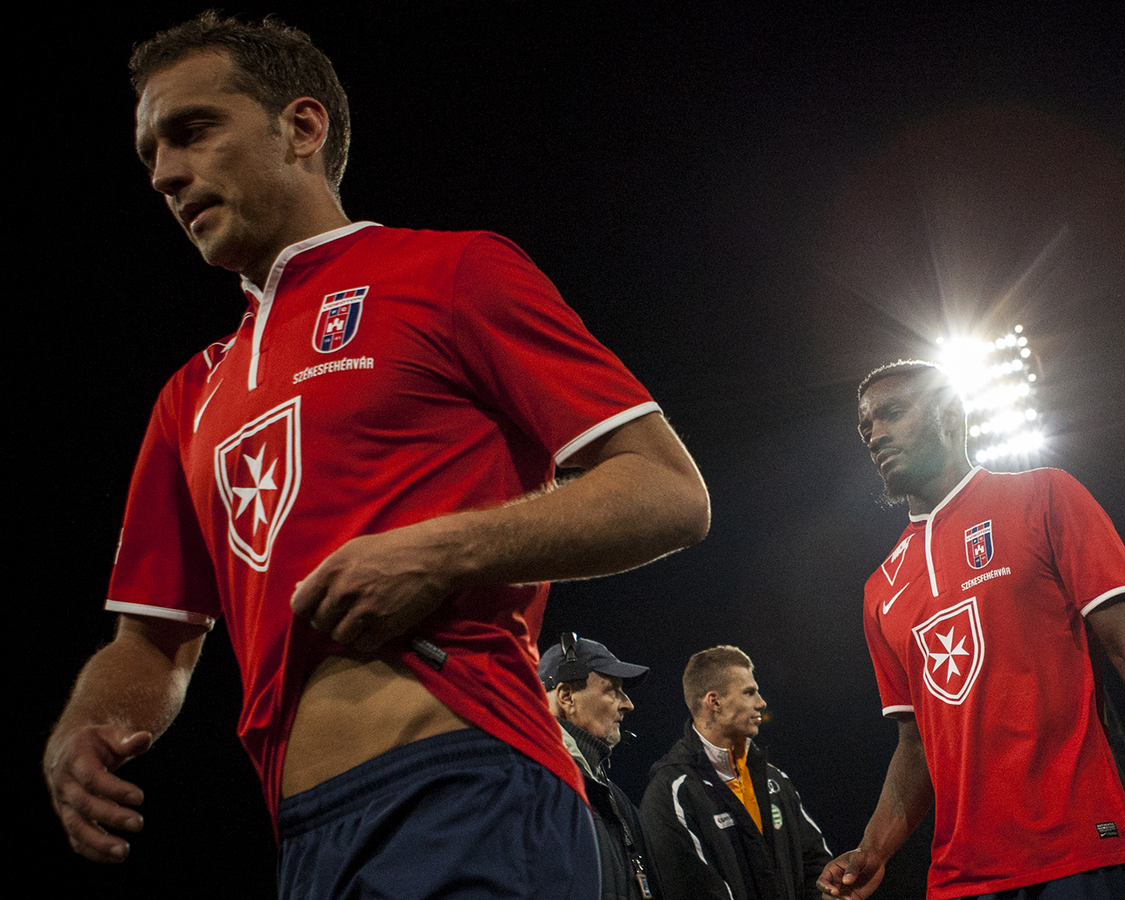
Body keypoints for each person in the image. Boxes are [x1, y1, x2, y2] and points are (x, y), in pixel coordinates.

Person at [40, 12, 710, 898]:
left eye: (192, 130)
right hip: (306, 840)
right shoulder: (187, 396)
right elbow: (152, 642)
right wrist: (86, 723)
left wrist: (440, 550)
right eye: (150, 153)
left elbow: (666, 490)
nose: (164, 173)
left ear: (301, 127)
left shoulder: (451, 273)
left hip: (471, 787)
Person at [821, 360, 1125, 900]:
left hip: (1081, 854)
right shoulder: (880, 589)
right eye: (866, 428)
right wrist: (873, 848)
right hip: (960, 879)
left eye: (893, 414)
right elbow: (916, 746)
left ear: (950, 414)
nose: (876, 434)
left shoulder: (1045, 495)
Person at [641, 645, 832, 900]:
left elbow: (817, 867)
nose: (761, 703)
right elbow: (692, 890)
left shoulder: (774, 779)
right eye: (749, 692)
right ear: (715, 702)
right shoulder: (672, 792)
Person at [541, 633, 662, 900]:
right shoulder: (538, 785)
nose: (628, 704)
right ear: (567, 696)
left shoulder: (611, 795)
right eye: (612, 690)